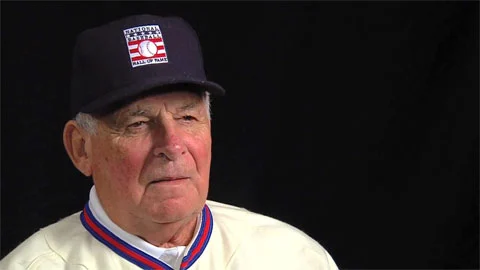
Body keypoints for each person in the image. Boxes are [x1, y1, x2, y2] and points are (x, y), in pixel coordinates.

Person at [0, 14, 339, 270]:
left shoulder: (291, 257)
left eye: (188, 118)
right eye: (138, 123)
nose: (172, 144)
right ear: (81, 148)